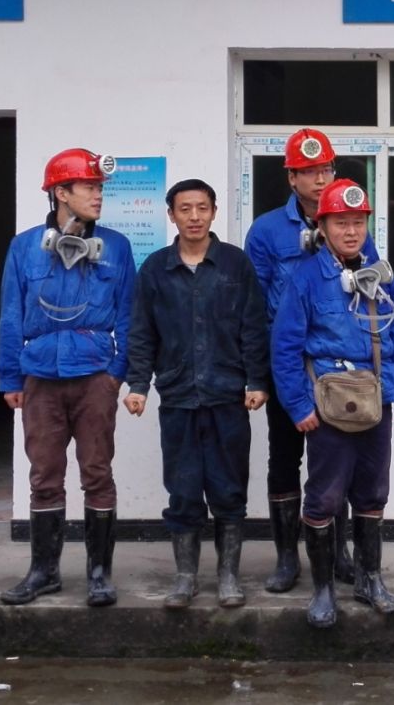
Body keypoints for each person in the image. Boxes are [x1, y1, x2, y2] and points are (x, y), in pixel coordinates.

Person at [270, 179, 394, 629]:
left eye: (358, 222)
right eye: (341, 223)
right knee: (325, 497)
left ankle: (370, 581)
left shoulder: (381, 274)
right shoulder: (305, 279)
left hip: (376, 400)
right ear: (323, 226)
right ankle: (322, 590)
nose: (351, 231)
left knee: (372, 492)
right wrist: (299, 407)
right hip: (328, 405)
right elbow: (285, 348)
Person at [0, 148, 136, 607]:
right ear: (61, 192)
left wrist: (116, 374)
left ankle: (99, 574)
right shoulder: (24, 248)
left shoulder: (116, 247)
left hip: (94, 376)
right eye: (89, 187)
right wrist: (10, 377)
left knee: (97, 472)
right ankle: (44, 572)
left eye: (100, 188)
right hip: (39, 378)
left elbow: (129, 316)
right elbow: (11, 314)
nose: (98, 196)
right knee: (44, 476)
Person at [244, 128, 378, 593]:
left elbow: (370, 292)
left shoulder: (350, 224)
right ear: (291, 177)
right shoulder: (266, 231)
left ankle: (338, 553)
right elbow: (254, 306)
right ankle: (286, 558)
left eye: (325, 170)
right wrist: (259, 374)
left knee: (337, 462)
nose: (320, 179)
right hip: (288, 365)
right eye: (308, 172)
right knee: (284, 458)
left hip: (338, 371)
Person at [124, 179, 269, 609]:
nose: (194, 217)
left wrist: (256, 380)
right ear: (171, 215)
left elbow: (253, 327)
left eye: (202, 208)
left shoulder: (235, 264)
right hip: (178, 396)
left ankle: (228, 576)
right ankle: (185, 577)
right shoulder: (155, 269)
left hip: (227, 396)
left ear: (214, 212)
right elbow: (141, 332)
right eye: (184, 209)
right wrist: (138, 385)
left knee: (228, 488)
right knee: (183, 489)